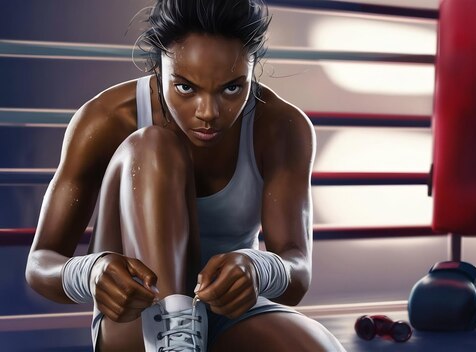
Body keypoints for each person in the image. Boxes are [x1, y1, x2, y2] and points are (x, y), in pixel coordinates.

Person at [25, 0, 346, 351]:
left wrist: (256, 269)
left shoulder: (281, 128)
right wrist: (88, 275)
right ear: (158, 67)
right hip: (139, 315)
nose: (208, 113)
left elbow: (297, 274)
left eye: (232, 88)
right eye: (185, 88)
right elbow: (40, 264)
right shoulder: (105, 119)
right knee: (153, 146)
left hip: (225, 311)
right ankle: (174, 340)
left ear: (252, 69)